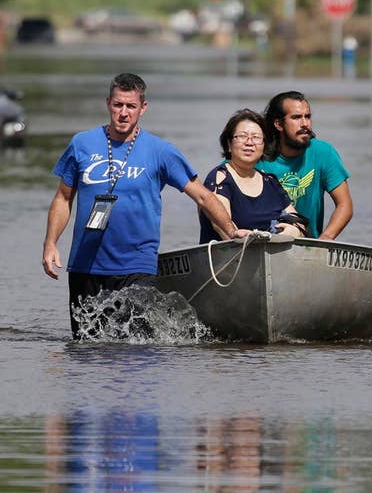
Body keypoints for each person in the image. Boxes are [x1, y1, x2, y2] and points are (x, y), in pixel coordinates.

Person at [41, 73, 249, 339]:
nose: (123, 113)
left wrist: (231, 231)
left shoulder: (160, 151)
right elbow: (63, 198)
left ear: (143, 108)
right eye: (118, 105)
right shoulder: (82, 144)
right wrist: (50, 243)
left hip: (136, 265)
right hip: (86, 265)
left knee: (138, 348)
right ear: (108, 103)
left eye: (131, 106)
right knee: (86, 347)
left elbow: (203, 196)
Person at [198, 108, 306, 243]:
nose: (249, 142)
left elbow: (299, 223)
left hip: (273, 253)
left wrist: (295, 231)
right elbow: (222, 228)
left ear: (264, 145)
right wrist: (246, 239)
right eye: (242, 136)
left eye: (256, 137)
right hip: (232, 254)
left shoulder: (270, 182)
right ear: (229, 144)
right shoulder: (219, 179)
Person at [255, 91, 352, 240]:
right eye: (296, 117)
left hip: (307, 243)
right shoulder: (256, 155)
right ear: (278, 124)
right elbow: (222, 181)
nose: (305, 123)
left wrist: (325, 239)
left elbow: (344, 205)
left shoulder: (323, 152)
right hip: (262, 241)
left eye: (307, 116)